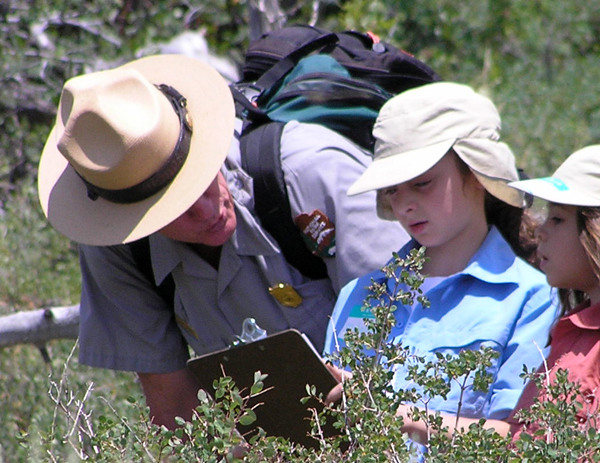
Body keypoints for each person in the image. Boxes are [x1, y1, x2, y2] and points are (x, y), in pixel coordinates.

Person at [37, 54, 409, 429]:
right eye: (173, 208)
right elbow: (174, 412)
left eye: (201, 178)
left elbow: (414, 333)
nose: (205, 209)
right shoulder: (118, 249)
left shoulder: (311, 171)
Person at [397, 144, 600, 443]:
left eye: (558, 219)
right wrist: (407, 419)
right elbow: (522, 440)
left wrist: (411, 420)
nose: (541, 231)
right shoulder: (577, 332)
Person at [324, 82, 558, 424]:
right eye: (392, 189)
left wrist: (394, 416)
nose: (404, 204)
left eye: (422, 183)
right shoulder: (357, 295)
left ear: (477, 174)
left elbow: (518, 439)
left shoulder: (530, 299)